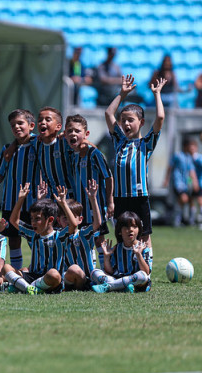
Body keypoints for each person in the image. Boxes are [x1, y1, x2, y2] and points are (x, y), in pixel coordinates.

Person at [105, 74, 167, 251]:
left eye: (130, 120)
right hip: (120, 198)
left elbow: (160, 118)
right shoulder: (118, 141)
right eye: (123, 120)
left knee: (143, 234)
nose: (125, 123)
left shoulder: (145, 144)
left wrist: (157, 94)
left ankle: (145, 271)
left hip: (139, 197)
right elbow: (109, 113)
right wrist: (122, 94)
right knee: (121, 235)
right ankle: (123, 266)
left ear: (141, 122)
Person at [0, 109, 39, 270]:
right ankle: (16, 271)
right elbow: (0, 173)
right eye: (12, 125)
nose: (16, 127)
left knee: (34, 237)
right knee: (13, 238)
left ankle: (38, 267)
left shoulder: (38, 145)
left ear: (31, 125)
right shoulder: (7, 149)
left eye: (20, 123)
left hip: (32, 203)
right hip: (11, 202)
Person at [2, 184, 70, 295]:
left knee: (54, 274)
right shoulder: (32, 234)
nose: (33, 222)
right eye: (32, 218)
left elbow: (73, 225)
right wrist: (21, 199)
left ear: (50, 219)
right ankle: (29, 288)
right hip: (32, 276)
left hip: (51, 280)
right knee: (6, 267)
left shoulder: (60, 235)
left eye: (37, 219)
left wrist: (63, 204)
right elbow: (14, 220)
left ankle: (22, 287)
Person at [65, 114, 113, 266]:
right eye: (70, 131)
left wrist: (110, 201)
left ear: (86, 134)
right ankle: (89, 271)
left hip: (96, 206)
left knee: (99, 238)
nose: (73, 134)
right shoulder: (74, 156)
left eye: (77, 131)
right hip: (80, 207)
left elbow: (108, 177)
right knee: (84, 239)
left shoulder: (94, 154)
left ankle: (105, 270)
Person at [91, 211, 152, 293]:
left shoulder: (144, 248)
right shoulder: (117, 248)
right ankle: (122, 288)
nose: (130, 229)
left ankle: (109, 287)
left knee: (142, 276)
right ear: (120, 231)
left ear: (139, 229)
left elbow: (146, 271)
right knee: (94, 272)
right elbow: (110, 271)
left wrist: (138, 254)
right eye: (126, 227)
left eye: (134, 226)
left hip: (137, 283)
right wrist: (106, 256)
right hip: (118, 278)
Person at [163, 137, 198, 226]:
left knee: (185, 200)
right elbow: (170, 167)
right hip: (177, 182)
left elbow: (191, 171)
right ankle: (176, 219)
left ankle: (177, 219)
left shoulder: (189, 157)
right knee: (183, 198)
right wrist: (166, 180)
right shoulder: (177, 155)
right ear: (185, 146)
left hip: (186, 183)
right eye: (191, 146)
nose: (192, 148)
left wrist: (195, 182)